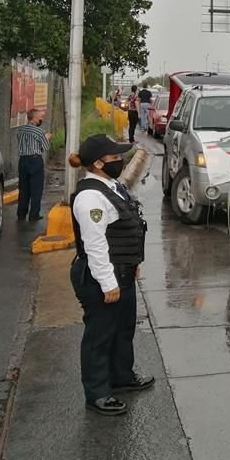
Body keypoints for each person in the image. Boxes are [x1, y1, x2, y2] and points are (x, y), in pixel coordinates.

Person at [69, 134, 154, 416]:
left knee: (122, 328)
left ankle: (121, 376)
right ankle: (97, 393)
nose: (121, 161)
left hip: (122, 272)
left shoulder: (111, 186)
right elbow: (95, 245)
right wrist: (108, 284)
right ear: (97, 163)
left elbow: (123, 230)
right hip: (101, 277)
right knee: (100, 336)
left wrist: (132, 264)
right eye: (115, 158)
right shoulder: (90, 197)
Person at [15, 108, 51, 222]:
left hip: (23, 160)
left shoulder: (20, 130)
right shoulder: (39, 132)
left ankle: (21, 214)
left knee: (23, 188)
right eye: (40, 117)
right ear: (34, 118)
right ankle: (34, 214)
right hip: (35, 161)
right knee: (36, 189)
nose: (41, 119)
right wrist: (47, 138)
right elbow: (45, 147)